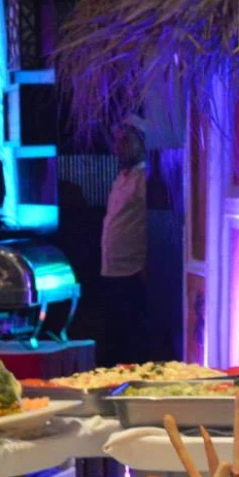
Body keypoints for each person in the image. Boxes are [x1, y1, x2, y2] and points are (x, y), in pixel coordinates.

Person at [94, 116, 150, 370]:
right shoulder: (121, 178)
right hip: (111, 266)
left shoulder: (143, 178)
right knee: (114, 329)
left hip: (133, 268)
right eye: (117, 141)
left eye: (127, 141)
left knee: (134, 331)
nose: (120, 147)